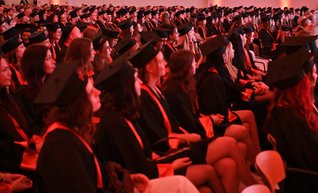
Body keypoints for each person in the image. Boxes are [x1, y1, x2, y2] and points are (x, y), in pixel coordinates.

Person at [34, 58, 200, 193]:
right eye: (90, 92)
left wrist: (126, 180)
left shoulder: (73, 132)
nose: (98, 93)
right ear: (78, 103)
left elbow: (98, 171)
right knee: (181, 184)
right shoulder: (61, 145)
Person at [130, 42, 258, 192]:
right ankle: (257, 186)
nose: (165, 64)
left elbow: (174, 122)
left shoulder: (156, 90)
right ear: (149, 67)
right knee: (229, 143)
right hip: (171, 151)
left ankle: (255, 183)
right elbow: (159, 136)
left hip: (182, 140)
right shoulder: (146, 96)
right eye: (160, 61)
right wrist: (189, 137)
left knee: (228, 165)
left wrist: (190, 134)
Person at [94, 58, 226, 193]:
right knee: (209, 168)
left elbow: (146, 152)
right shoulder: (114, 122)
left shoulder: (123, 114)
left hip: (154, 162)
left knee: (217, 174)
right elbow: (137, 165)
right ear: (125, 88)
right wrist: (171, 166)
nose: (139, 82)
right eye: (135, 79)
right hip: (143, 177)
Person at [265, 50, 318, 193]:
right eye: (313, 74)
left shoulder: (279, 109)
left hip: (297, 178)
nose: (315, 77)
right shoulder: (294, 121)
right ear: (302, 86)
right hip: (311, 184)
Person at [17, 44, 56, 135]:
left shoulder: (47, 85)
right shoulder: (24, 93)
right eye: (48, 59)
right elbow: (31, 126)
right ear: (36, 62)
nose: (53, 61)